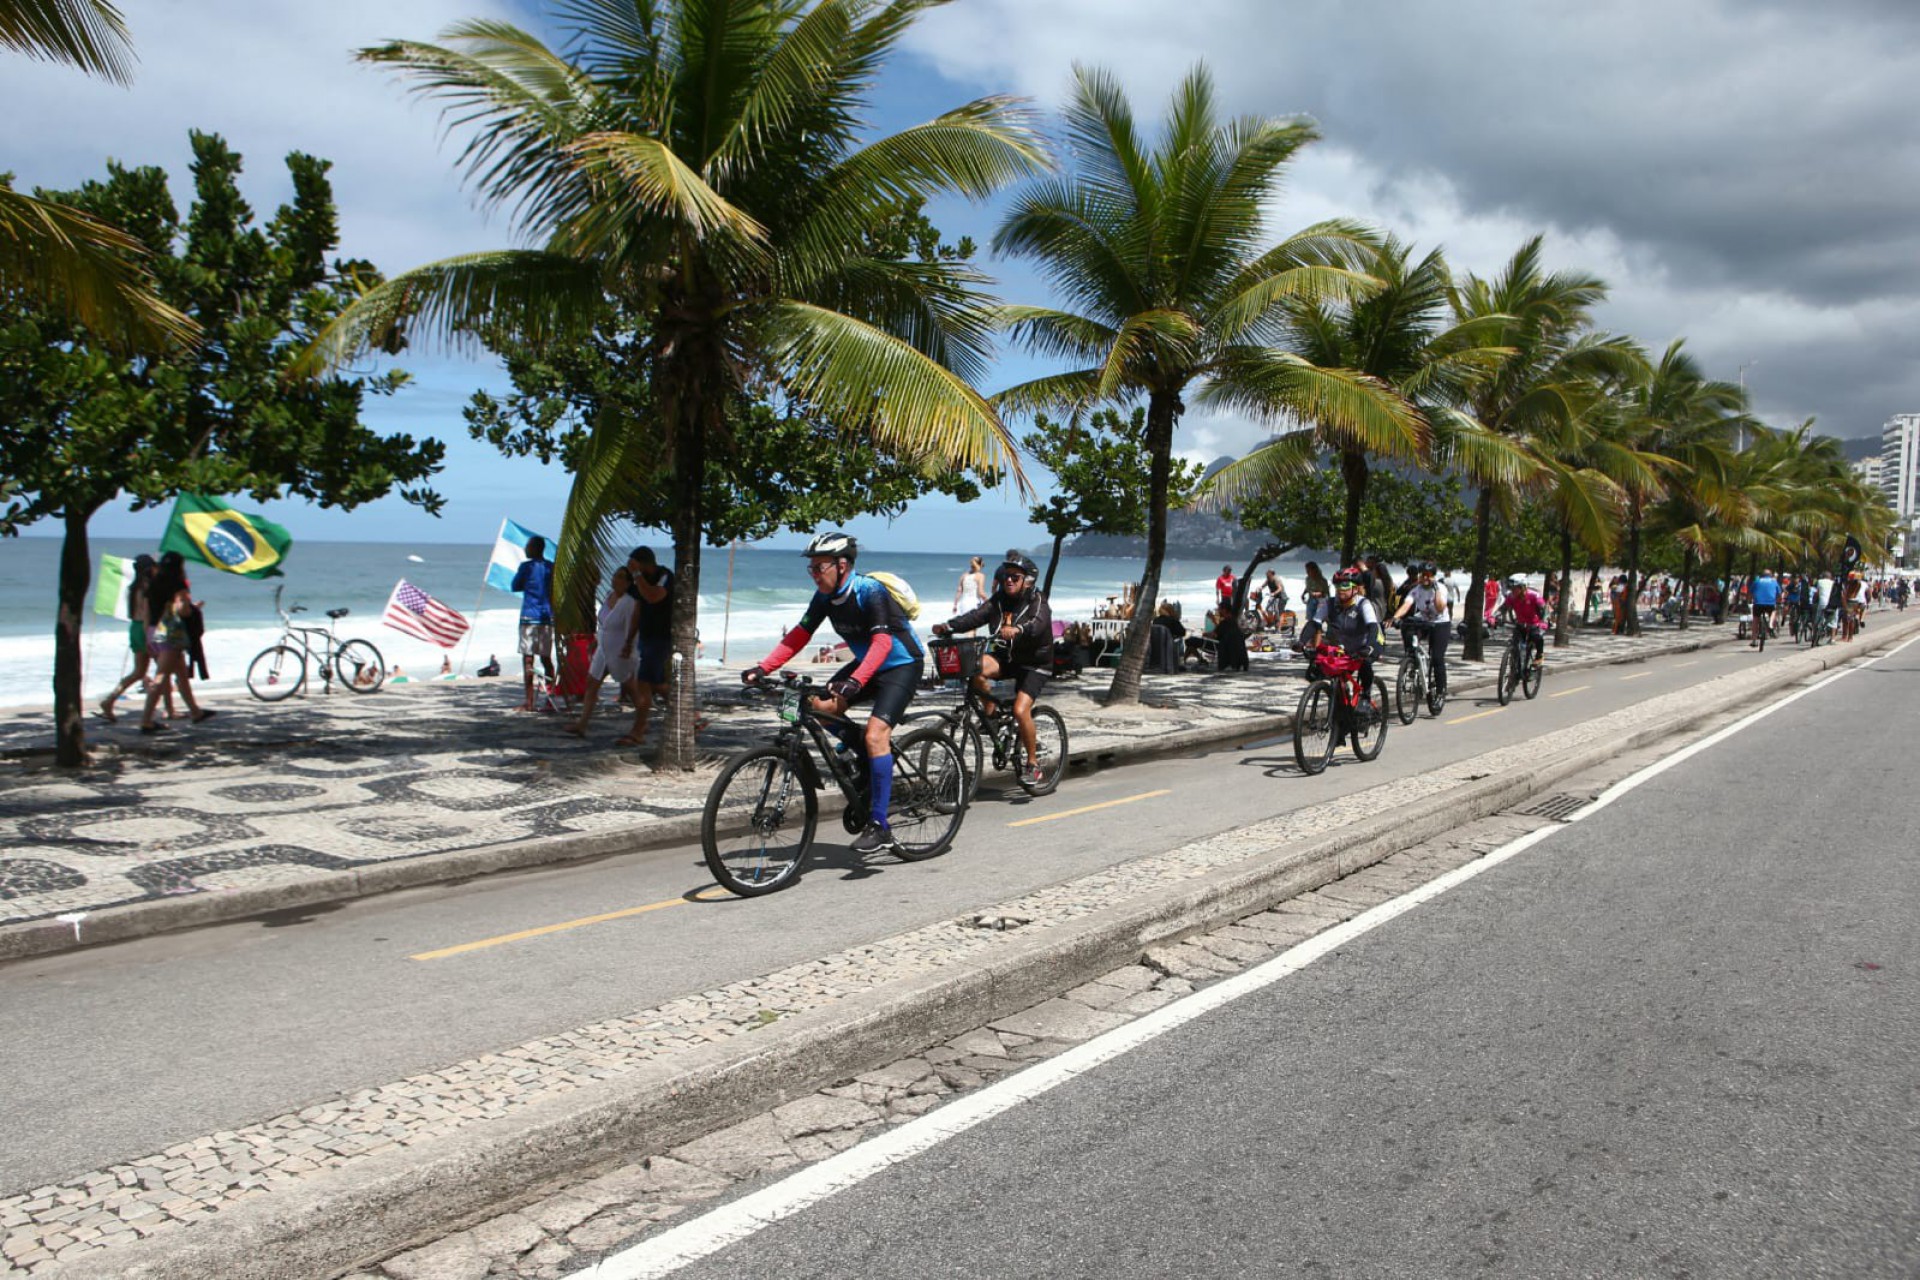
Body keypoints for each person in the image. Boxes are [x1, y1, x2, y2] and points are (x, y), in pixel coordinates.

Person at [744, 532, 925, 855]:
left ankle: (880, 825)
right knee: (817, 706)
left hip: (902, 665)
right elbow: (799, 635)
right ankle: (865, 758)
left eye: (819, 567)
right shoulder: (825, 597)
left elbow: (883, 643)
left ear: (842, 565)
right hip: (869, 665)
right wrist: (762, 668)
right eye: (811, 568)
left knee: (875, 735)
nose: (814, 573)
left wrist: (854, 681)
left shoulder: (870, 591)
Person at [933, 553, 1055, 786]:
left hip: (1035, 664)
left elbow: (1037, 623)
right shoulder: (999, 599)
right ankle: (992, 715)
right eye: (1006, 576)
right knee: (975, 668)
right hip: (1007, 658)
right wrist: (949, 626)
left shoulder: (1038, 600)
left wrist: (1018, 629)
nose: (1008, 580)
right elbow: (976, 616)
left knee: (1021, 710)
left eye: (1015, 577)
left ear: (1027, 581)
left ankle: (1033, 764)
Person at [567, 566, 640, 739]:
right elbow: (603, 623)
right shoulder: (609, 596)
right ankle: (582, 724)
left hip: (620, 648)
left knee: (631, 687)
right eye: (615, 575)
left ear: (629, 583)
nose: (616, 579)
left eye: (621, 577)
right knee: (592, 682)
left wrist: (628, 646)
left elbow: (632, 627)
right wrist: (596, 641)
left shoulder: (630, 602)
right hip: (603, 647)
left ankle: (642, 722)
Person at [1297, 567, 1386, 693]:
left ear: (1355, 588)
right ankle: (1340, 697)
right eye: (1337, 585)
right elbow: (1314, 623)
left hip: (1369, 642)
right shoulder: (1330, 603)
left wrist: (1369, 647)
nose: (1340, 589)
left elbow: (1373, 627)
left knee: (1364, 664)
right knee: (1317, 667)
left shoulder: (1363, 604)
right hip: (1345, 646)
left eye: (1345, 585)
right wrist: (1301, 642)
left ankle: (1365, 697)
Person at [139, 585, 211, 733]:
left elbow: (146, 615)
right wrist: (194, 608)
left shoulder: (152, 589)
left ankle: (195, 711)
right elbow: (182, 611)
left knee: (181, 674)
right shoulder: (176, 588)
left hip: (154, 631)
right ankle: (146, 720)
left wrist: (147, 637)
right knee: (161, 676)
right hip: (171, 635)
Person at [623, 546, 675, 746]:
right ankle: (689, 715)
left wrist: (637, 575)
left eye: (634, 565)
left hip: (662, 637)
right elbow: (638, 609)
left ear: (645, 563)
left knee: (644, 681)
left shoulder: (664, 575)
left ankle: (639, 729)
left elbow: (654, 596)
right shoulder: (638, 582)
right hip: (646, 636)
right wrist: (629, 639)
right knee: (656, 683)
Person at [97, 554, 158, 721]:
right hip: (146, 630)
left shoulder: (133, 588)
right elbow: (147, 614)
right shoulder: (148, 588)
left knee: (138, 672)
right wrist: (149, 638)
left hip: (135, 628)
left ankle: (109, 701)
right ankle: (165, 711)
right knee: (163, 672)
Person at [1390, 562, 1453, 699]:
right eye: (1423, 575)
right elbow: (1406, 605)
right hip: (1424, 622)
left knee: (1437, 658)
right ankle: (1412, 661)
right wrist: (1395, 617)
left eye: (1428, 575)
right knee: (1407, 628)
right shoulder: (1416, 590)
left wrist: (1435, 589)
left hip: (1440, 623)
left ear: (1433, 576)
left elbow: (1440, 608)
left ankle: (1441, 689)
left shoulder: (1441, 588)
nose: (1425, 578)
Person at [511, 535, 556, 711]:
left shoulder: (526, 567)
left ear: (536, 548)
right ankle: (549, 700)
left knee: (528, 660)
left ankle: (529, 702)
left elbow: (515, 586)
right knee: (546, 660)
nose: (525, 549)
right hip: (546, 617)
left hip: (529, 617)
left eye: (528, 546)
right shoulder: (551, 567)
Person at [1501, 575, 1549, 668]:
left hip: (1534, 624)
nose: (1513, 591)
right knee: (1514, 643)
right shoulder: (1511, 597)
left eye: (1515, 588)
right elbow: (1503, 608)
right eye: (1511, 589)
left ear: (1522, 587)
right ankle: (1514, 668)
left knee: (1537, 637)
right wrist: (1493, 618)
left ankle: (1539, 655)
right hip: (1520, 624)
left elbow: (1544, 609)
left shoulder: (1534, 595)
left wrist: (1544, 621)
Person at [1748, 567, 1779, 647]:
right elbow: (1778, 593)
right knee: (1774, 611)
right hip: (1770, 603)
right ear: (1771, 575)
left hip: (1758, 603)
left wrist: (1750, 600)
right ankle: (1771, 624)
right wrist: (1779, 601)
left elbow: (1750, 593)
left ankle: (1754, 640)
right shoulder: (1774, 581)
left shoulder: (1757, 581)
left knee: (1755, 620)